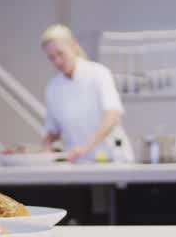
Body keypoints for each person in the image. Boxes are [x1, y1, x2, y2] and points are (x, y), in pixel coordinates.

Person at [38, 24, 133, 163]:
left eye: (60, 54)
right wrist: (44, 150)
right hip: (79, 163)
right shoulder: (53, 87)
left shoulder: (98, 74)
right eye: (51, 58)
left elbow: (113, 116)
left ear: (74, 46)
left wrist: (86, 148)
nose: (57, 61)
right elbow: (53, 130)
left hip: (111, 160)